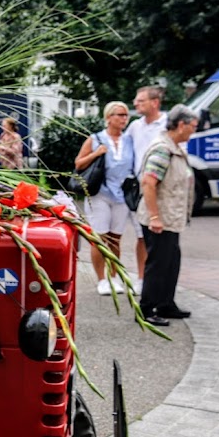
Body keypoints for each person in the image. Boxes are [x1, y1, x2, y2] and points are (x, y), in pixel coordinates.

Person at [136, 104, 199, 326]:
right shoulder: (163, 149)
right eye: (192, 126)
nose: (194, 130)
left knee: (171, 262)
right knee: (158, 264)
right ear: (180, 124)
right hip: (159, 219)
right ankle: (145, 309)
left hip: (171, 218)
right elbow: (149, 183)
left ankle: (165, 303)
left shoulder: (175, 147)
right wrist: (154, 217)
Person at [74, 101, 135, 296]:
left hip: (121, 196)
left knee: (116, 240)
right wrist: (96, 153)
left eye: (126, 115)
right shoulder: (96, 139)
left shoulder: (129, 140)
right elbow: (79, 164)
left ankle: (113, 277)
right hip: (100, 194)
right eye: (120, 114)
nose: (124, 118)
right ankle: (101, 280)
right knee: (100, 238)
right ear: (108, 117)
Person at [124, 85, 168, 289]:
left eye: (141, 100)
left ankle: (159, 281)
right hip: (142, 188)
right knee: (142, 235)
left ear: (155, 103)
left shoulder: (168, 123)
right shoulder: (134, 126)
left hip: (165, 189)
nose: (135, 103)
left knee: (164, 239)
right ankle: (142, 279)